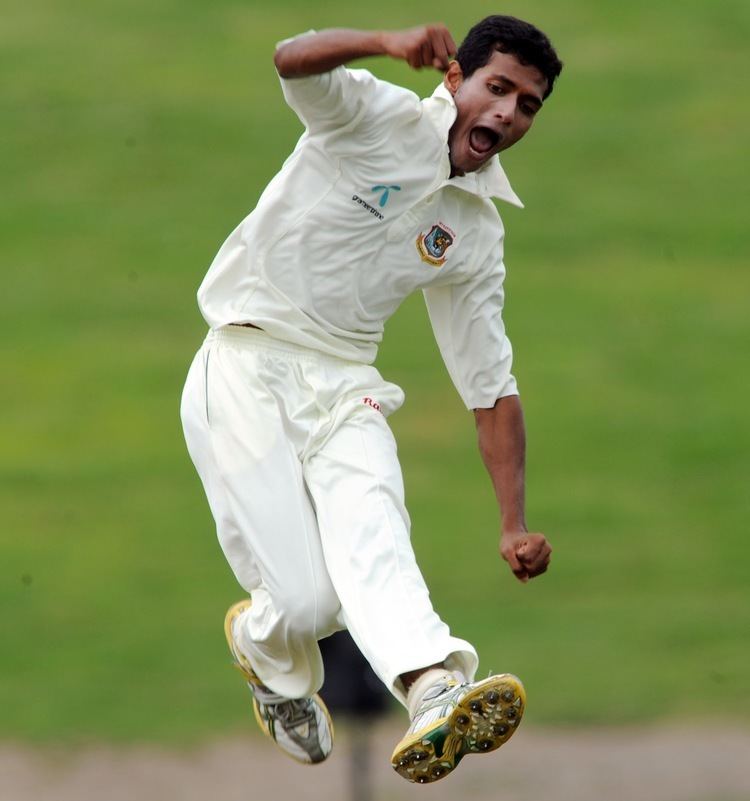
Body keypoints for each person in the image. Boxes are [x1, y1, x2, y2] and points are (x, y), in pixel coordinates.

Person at [180, 15, 562, 784]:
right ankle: (268, 657)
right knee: (305, 605)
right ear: (455, 79)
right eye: (497, 88)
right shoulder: (373, 116)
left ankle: (434, 687)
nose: (506, 114)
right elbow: (290, 60)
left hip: (345, 383)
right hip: (246, 358)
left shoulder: (474, 229)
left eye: (527, 105)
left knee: (375, 526)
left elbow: (491, 386)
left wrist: (513, 519)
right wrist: (387, 43)